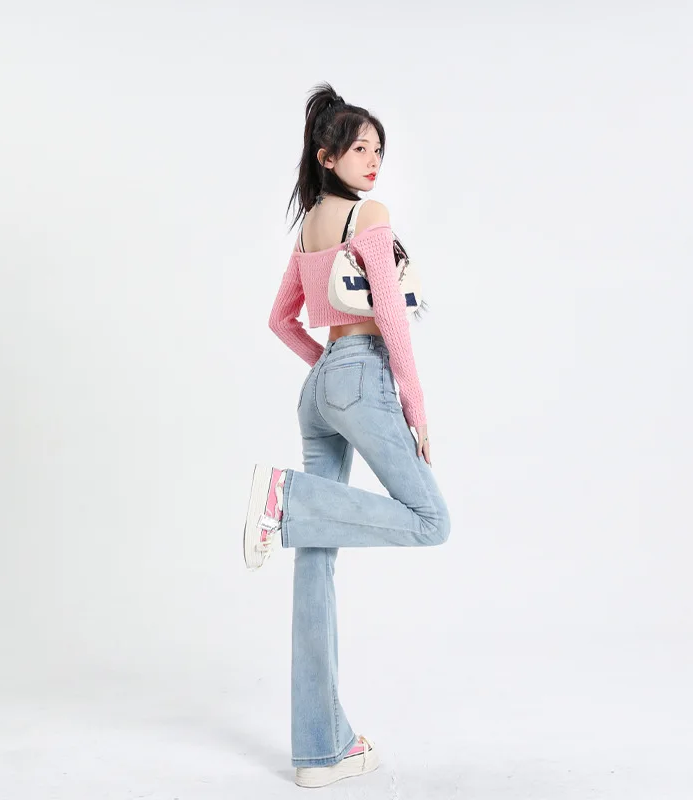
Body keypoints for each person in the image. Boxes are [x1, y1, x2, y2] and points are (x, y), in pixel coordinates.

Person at [242, 82, 450, 789]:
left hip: (324, 384)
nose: (374, 160)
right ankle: (286, 498)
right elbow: (388, 313)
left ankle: (320, 750)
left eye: (379, 149)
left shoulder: (310, 227)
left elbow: (282, 319)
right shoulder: (370, 215)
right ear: (327, 157)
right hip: (362, 376)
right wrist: (413, 404)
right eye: (360, 148)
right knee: (430, 520)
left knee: (315, 560)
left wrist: (326, 371)